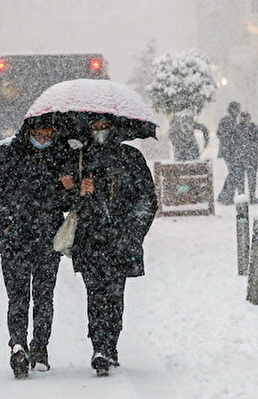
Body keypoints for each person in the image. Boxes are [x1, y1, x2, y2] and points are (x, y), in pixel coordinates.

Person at [61, 114, 157, 376]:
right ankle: (99, 347)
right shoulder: (80, 158)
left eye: (104, 125)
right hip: (90, 239)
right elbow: (66, 202)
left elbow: (147, 198)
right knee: (95, 293)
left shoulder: (131, 158)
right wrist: (78, 191)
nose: (100, 130)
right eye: (95, 126)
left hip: (120, 240)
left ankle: (110, 344)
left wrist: (133, 232)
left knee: (114, 295)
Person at [0, 113, 73, 379]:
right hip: (16, 239)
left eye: (49, 136)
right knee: (19, 296)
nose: (45, 140)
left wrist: (68, 188)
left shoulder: (60, 154)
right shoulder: (8, 151)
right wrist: (6, 220)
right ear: (29, 131)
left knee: (44, 297)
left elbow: (67, 202)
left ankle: (40, 346)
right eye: (40, 135)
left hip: (47, 237)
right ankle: (18, 345)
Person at [235, 112, 258, 204]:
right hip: (251, 156)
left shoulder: (237, 128)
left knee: (241, 178)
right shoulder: (253, 127)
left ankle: (242, 197)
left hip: (240, 156)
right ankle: (251, 197)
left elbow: (232, 142)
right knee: (251, 178)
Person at [216, 101, 242, 205]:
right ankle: (226, 196)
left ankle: (225, 196)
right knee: (234, 174)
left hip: (230, 151)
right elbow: (221, 134)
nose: (238, 111)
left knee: (233, 174)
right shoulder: (229, 120)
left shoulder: (232, 120)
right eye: (237, 109)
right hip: (230, 151)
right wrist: (230, 138)